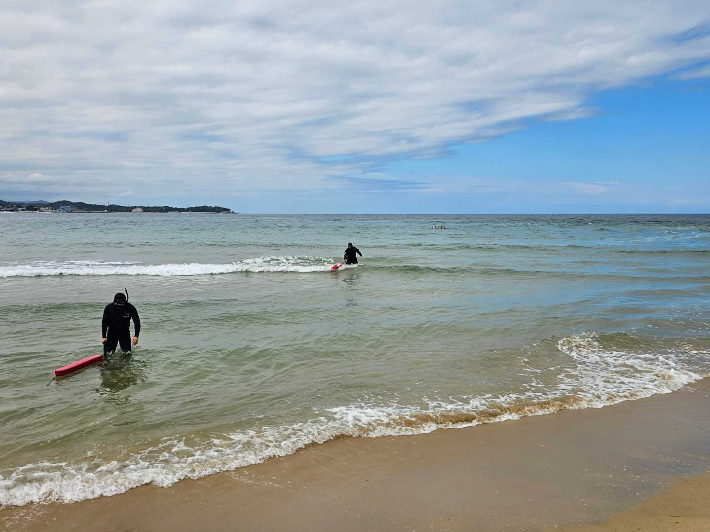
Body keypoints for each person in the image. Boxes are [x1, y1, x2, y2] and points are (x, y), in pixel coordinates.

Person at [102, 292, 140, 357]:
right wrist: (104, 336)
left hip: (125, 333)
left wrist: (136, 335)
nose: (119, 305)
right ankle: (107, 366)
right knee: (108, 354)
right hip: (111, 333)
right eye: (118, 303)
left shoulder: (130, 308)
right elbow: (104, 322)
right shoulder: (109, 308)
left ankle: (125, 367)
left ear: (125, 302)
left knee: (127, 353)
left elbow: (137, 322)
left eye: (121, 304)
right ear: (114, 302)